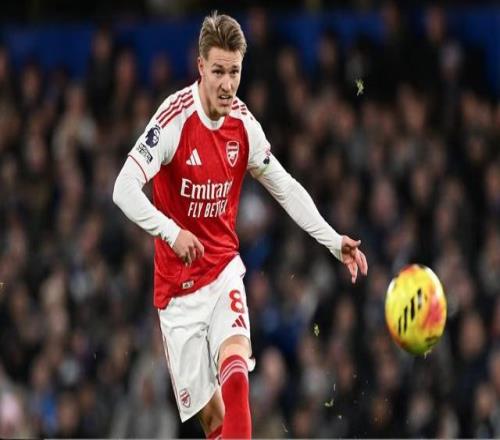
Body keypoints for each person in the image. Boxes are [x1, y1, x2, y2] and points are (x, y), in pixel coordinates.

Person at [113, 11, 368, 439]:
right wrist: (171, 232)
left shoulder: (244, 125)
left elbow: (284, 186)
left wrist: (331, 240)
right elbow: (123, 188)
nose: (227, 84)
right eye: (218, 71)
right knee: (215, 423)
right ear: (200, 67)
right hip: (177, 292)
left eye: (234, 72)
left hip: (223, 272)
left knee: (236, 375)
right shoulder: (174, 119)